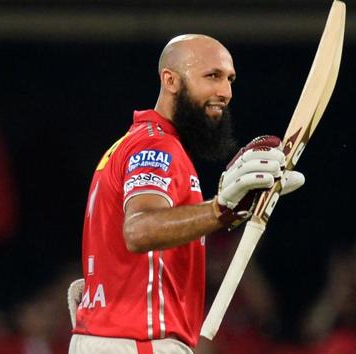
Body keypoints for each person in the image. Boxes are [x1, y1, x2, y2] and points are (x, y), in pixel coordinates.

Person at [66, 34, 305, 354]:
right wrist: (221, 209)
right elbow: (138, 231)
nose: (226, 92)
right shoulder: (156, 146)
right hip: (138, 343)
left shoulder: (132, 142)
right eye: (212, 76)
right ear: (171, 80)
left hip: (115, 339)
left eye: (230, 79)